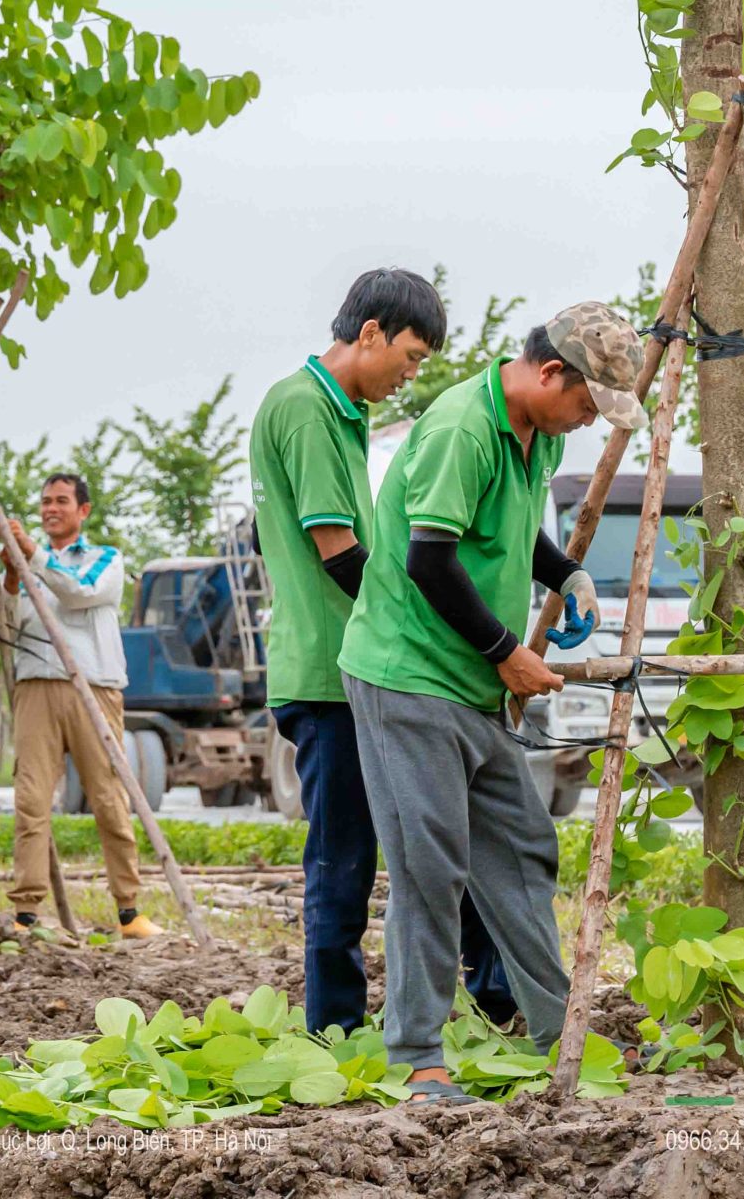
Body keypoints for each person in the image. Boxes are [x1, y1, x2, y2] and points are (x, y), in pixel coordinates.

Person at [337, 301, 640, 1102]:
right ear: (549, 374)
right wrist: (508, 653)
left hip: (471, 684)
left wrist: (565, 573)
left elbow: (503, 534)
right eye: (585, 404)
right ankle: (416, 1056)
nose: (585, 421)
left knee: (522, 846)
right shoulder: (463, 430)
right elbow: (429, 560)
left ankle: (558, 1030)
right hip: (407, 676)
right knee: (430, 865)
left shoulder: (532, 432)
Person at [250, 267, 519, 1038]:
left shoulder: (332, 412)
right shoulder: (307, 410)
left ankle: (482, 999)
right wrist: (429, 624)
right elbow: (339, 554)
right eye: (409, 358)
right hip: (337, 673)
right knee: (344, 857)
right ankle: (333, 1027)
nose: (409, 377)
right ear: (368, 332)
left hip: (346, 665)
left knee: (428, 837)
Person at [2, 473, 159, 940]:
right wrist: (12, 577)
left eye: (62, 501)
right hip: (35, 688)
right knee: (30, 798)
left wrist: (31, 555)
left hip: (93, 687)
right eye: (46, 500)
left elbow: (79, 592)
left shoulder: (104, 559)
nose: (52, 508)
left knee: (108, 796)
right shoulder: (24, 562)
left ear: (83, 510)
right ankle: (26, 911)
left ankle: (128, 910)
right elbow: (3, 621)